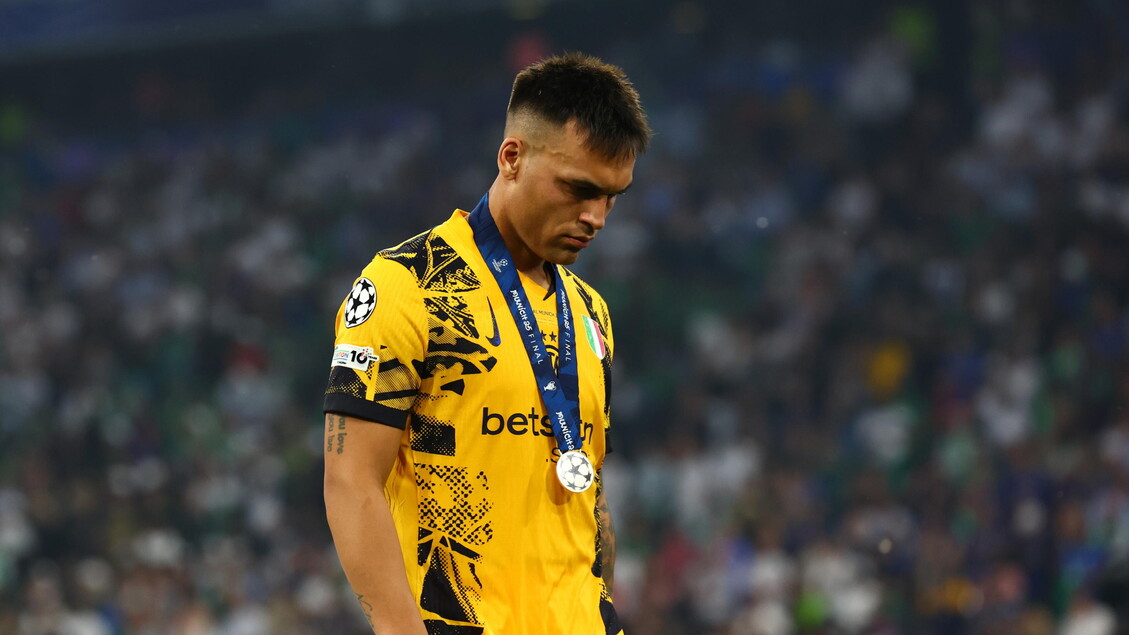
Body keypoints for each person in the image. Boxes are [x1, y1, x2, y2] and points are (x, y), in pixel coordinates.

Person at [322, 52, 651, 635]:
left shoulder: (590, 313)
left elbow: (589, 492)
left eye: (611, 196)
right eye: (578, 189)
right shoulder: (409, 284)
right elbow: (351, 481)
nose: (596, 217)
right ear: (512, 158)